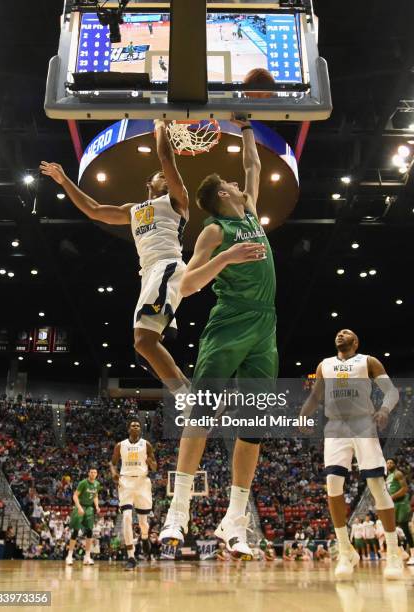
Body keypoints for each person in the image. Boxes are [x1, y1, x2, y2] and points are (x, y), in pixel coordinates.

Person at [160, 116, 281, 560]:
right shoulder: (216, 230)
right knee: (203, 411)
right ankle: (178, 509)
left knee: (255, 425)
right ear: (224, 196)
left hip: (264, 326)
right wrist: (227, 257)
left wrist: (247, 125)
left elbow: (253, 166)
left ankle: (235, 518)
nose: (240, 182)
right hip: (230, 320)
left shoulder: (248, 212)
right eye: (232, 183)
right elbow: (188, 284)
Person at [40, 121, 190, 398]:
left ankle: (190, 399)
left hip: (166, 266)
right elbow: (94, 209)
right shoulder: (133, 210)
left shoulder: (177, 201)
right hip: (149, 275)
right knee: (144, 353)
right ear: (148, 184)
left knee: (144, 342)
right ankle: (191, 395)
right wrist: (64, 181)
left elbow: (167, 158)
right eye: (159, 176)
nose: (166, 177)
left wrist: (160, 128)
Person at [300, 329, 402, 580]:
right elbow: (315, 396)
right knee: (333, 485)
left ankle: (393, 552)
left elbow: (392, 392)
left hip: (363, 424)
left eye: (346, 332)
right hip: (335, 426)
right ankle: (345, 551)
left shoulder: (368, 361)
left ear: (355, 342)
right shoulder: (325, 365)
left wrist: (385, 410)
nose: (340, 333)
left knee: (377, 485)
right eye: (337, 332)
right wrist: (303, 414)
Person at [110, 418, 157, 570]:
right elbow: (112, 463)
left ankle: (144, 538)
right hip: (126, 482)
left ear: (140, 429)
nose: (135, 427)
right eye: (133, 425)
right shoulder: (120, 445)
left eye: (138, 425)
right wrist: (114, 473)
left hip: (143, 483)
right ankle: (131, 557)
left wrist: (151, 463)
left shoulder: (146, 445)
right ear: (128, 429)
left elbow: (155, 467)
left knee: (143, 523)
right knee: (126, 517)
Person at [65, 467, 101, 566]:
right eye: (91, 472)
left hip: (89, 508)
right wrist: (79, 507)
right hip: (80, 507)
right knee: (76, 531)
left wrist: (97, 506)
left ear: (97, 474)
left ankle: (87, 557)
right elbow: (75, 496)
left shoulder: (97, 484)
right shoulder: (83, 483)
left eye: (95, 472)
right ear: (88, 473)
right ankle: (69, 556)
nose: (93, 474)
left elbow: (95, 496)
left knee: (89, 531)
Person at [386, 458, 414, 565]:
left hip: (402, 503)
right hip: (393, 504)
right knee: (392, 529)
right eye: (387, 463)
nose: (389, 464)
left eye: (391, 462)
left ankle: (412, 554)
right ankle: (403, 553)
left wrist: (392, 496)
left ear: (395, 464)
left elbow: (405, 489)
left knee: (405, 528)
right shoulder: (388, 477)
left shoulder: (398, 473)